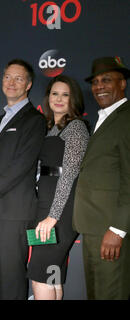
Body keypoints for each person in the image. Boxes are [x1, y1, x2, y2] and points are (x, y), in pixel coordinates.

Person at [0, 59, 46, 299]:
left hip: (15, 212)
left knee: (12, 280)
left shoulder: (34, 120)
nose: (12, 82)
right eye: (8, 77)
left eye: (19, 78)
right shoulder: (1, 118)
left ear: (28, 85)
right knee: (2, 279)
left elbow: (22, 165)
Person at [26, 75, 89, 300]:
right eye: (55, 94)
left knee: (40, 272)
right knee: (53, 272)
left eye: (65, 95)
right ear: (48, 97)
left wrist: (53, 216)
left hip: (60, 210)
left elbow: (69, 174)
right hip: (45, 206)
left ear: (73, 100)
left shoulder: (77, 127)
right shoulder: (49, 128)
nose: (59, 99)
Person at [73, 56, 130, 300]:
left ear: (122, 84)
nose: (99, 86)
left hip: (110, 230)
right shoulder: (103, 117)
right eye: (95, 81)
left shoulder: (126, 118)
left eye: (106, 80)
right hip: (93, 226)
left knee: (111, 294)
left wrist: (118, 230)